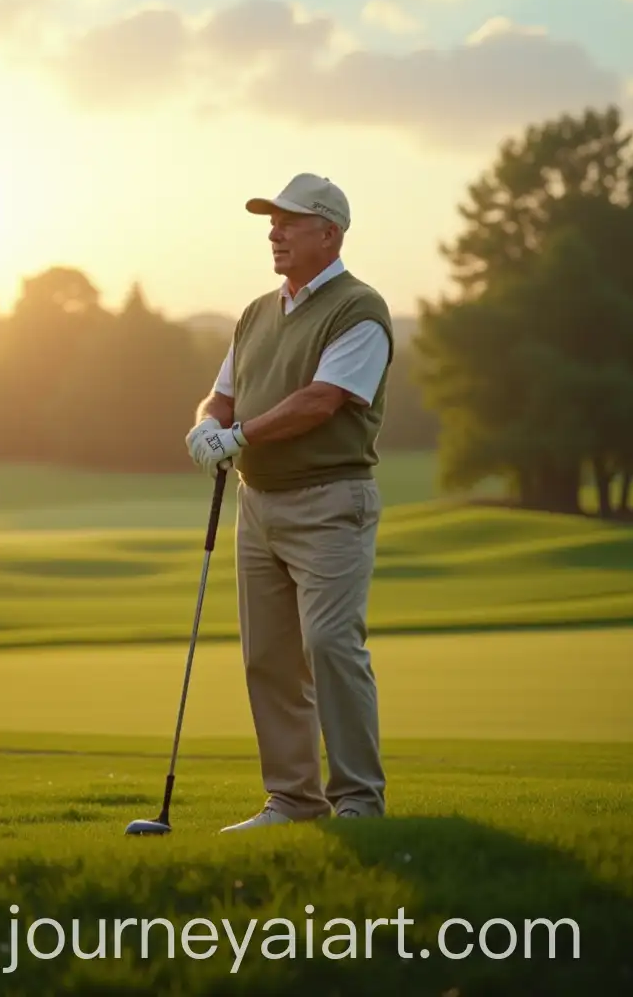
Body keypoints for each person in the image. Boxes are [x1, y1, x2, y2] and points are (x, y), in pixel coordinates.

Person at [186, 172, 394, 831]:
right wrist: (205, 426)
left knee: (331, 644)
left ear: (328, 233)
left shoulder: (359, 309)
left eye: (289, 221)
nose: (274, 232)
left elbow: (320, 401)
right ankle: (293, 800)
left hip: (331, 500)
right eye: (271, 221)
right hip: (259, 502)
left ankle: (359, 801)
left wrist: (237, 435)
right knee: (267, 657)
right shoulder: (255, 313)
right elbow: (222, 394)